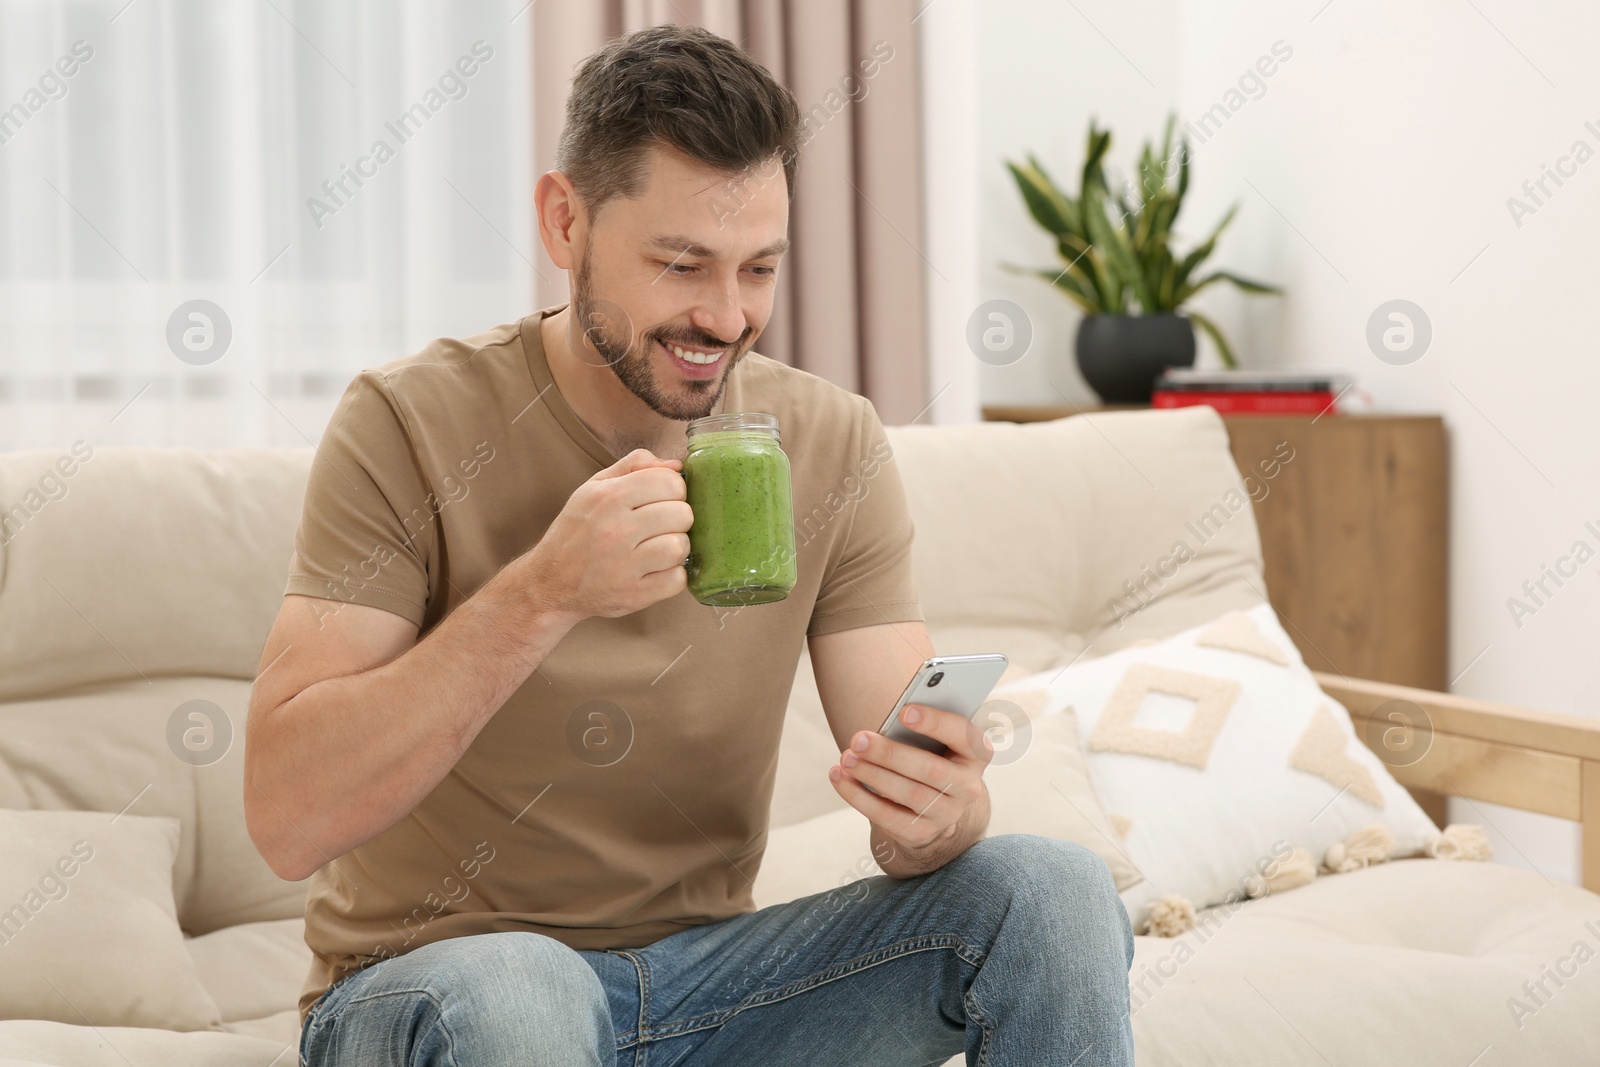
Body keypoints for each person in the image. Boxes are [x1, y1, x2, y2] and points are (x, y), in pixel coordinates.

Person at [243, 22, 1133, 1067]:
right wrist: (539, 593)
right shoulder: (407, 420)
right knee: (520, 990)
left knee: (1052, 892)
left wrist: (937, 811)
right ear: (565, 221)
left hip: (711, 984)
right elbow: (287, 818)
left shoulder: (827, 440)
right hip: (434, 987)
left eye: (759, 268)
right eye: (681, 264)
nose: (726, 315)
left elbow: (910, 796)